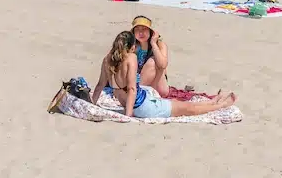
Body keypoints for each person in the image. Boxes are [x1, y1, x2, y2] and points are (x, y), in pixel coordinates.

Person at [90, 31, 237, 119]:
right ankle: (221, 105)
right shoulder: (131, 58)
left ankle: (213, 101)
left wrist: (91, 104)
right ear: (132, 46)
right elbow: (132, 90)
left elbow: (99, 86)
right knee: (187, 109)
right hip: (143, 106)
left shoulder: (107, 60)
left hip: (139, 102)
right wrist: (128, 116)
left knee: (183, 105)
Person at [130, 16, 168, 96]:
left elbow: (162, 65)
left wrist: (153, 43)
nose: (141, 33)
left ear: (150, 31)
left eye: (144, 29)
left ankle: (137, 94)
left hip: (157, 83)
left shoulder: (160, 45)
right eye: (137, 29)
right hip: (135, 81)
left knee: (152, 61)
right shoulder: (132, 46)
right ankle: (138, 92)